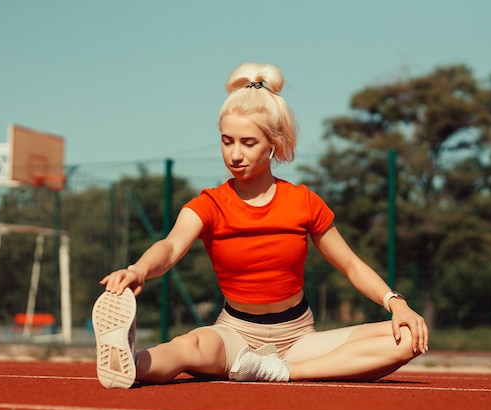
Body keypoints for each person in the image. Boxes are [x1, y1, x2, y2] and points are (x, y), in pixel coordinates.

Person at [91, 62, 429, 389]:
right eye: (227, 141)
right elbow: (169, 246)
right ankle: (129, 361)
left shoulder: (303, 201)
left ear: (274, 145)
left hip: (298, 339)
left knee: (408, 337)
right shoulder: (210, 204)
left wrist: (396, 303)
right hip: (234, 335)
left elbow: (352, 266)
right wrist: (138, 270)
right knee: (188, 347)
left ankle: (282, 372)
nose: (234, 154)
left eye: (248, 143)